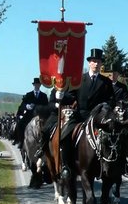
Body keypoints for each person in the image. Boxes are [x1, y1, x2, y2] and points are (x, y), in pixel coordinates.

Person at [34, 48, 115, 181]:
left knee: (115, 133)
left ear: (101, 64)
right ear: (89, 63)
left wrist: (107, 106)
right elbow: (71, 96)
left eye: (98, 62)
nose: (96, 64)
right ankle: (66, 166)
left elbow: (112, 99)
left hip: (98, 117)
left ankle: (115, 165)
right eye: (94, 61)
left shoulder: (106, 82)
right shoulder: (79, 79)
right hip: (81, 116)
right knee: (64, 135)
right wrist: (61, 96)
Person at [13, 77, 49, 148]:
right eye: (36, 84)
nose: (37, 86)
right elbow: (22, 105)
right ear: (34, 85)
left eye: (38, 84)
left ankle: (46, 142)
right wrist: (27, 106)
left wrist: (40, 108)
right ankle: (21, 141)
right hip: (29, 115)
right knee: (20, 124)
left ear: (40, 85)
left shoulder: (44, 96)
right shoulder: (28, 95)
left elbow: (46, 106)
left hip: (40, 115)